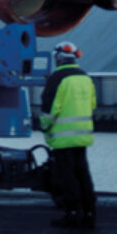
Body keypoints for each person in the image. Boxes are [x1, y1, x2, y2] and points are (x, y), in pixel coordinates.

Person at [38, 41, 96, 229]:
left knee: (68, 177)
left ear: (58, 58)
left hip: (63, 139)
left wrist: (44, 127)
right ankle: (89, 213)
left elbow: (49, 109)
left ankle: (73, 214)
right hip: (83, 137)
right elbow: (93, 105)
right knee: (83, 175)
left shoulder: (57, 78)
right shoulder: (85, 77)